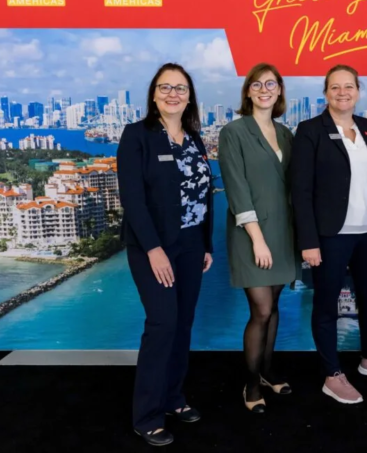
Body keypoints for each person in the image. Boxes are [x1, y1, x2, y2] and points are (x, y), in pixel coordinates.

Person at [291, 64, 367, 404]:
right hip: (330, 235)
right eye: (335, 87)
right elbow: (301, 191)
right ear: (326, 93)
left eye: (349, 87)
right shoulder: (310, 130)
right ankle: (332, 374)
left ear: (358, 91)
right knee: (326, 304)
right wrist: (308, 241)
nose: (342, 93)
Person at [118, 62, 214, 447]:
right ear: (154, 95)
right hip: (152, 246)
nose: (173, 94)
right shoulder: (137, 135)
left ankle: (173, 397)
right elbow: (133, 199)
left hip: (191, 244)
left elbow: (203, 194)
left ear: (189, 97)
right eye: (165, 87)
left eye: (180, 88)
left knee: (183, 323)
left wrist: (206, 244)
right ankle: (147, 415)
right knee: (162, 324)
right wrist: (154, 249)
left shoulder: (195, 138)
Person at [219, 63, 300, 413]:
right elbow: (236, 190)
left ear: (279, 90)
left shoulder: (286, 134)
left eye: (270, 84)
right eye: (257, 84)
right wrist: (257, 239)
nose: (264, 90)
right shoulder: (233, 132)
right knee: (261, 310)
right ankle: (251, 385)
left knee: (274, 307)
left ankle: (268, 372)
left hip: (284, 232)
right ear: (248, 91)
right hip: (250, 234)